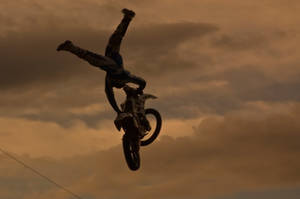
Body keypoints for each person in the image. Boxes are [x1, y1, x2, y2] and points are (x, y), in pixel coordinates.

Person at [57, 8, 146, 114]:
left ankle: (127, 18)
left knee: (101, 51)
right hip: (113, 59)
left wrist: (118, 110)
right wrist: (139, 90)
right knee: (111, 41)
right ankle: (127, 18)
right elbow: (141, 82)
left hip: (111, 58)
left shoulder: (111, 80)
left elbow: (111, 97)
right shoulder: (124, 77)